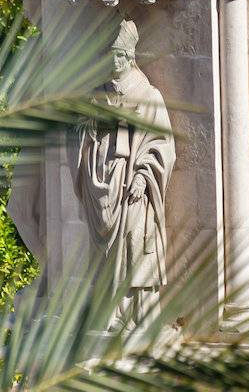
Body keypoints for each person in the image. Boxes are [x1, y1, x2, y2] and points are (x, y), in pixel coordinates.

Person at [74, 19, 176, 330]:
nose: (111, 62)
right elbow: (79, 131)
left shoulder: (148, 96)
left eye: (116, 56)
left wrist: (145, 175)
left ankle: (140, 314)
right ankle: (111, 313)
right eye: (107, 55)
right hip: (102, 181)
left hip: (134, 187)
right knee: (105, 255)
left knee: (136, 245)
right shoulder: (97, 95)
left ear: (129, 57)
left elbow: (162, 144)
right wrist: (91, 129)